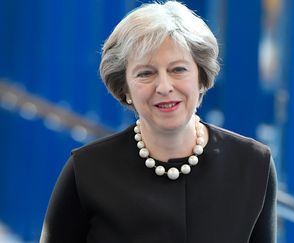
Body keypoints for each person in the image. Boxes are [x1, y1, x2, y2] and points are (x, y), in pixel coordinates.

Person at [40, 1, 277, 242]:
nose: (164, 87)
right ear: (125, 88)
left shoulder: (253, 165)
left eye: (178, 69)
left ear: (201, 78)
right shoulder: (86, 171)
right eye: (146, 73)